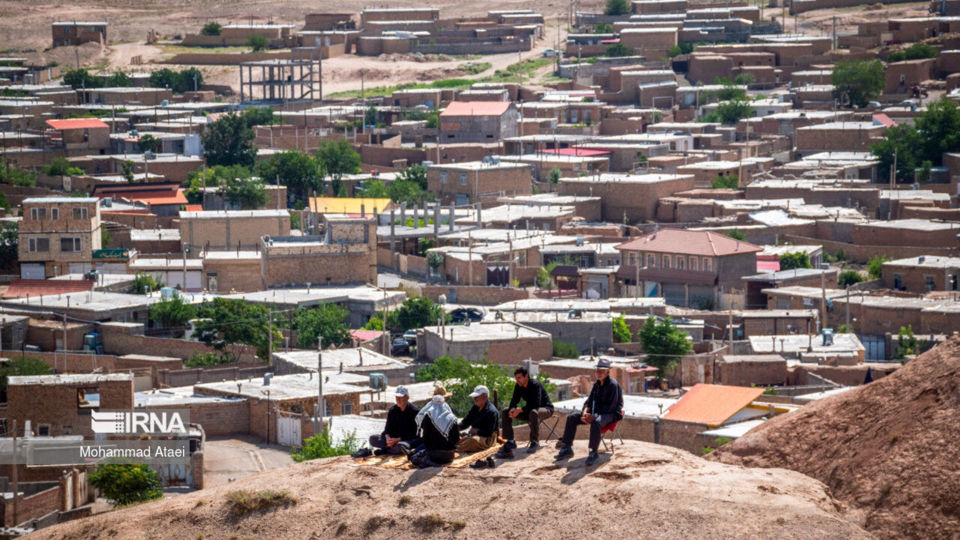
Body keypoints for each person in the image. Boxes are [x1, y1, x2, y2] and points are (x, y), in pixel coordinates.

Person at [554, 358, 623, 466]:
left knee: (596, 421)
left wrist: (594, 416)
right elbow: (589, 402)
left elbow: (611, 408)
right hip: (595, 414)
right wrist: (585, 412)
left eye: (601, 371)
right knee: (572, 418)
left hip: (610, 414)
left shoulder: (613, 386)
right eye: (597, 371)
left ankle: (593, 452)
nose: (599, 373)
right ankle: (567, 447)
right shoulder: (596, 385)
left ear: (607, 372)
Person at [496, 367, 554, 459]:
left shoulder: (535, 384)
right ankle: (510, 441)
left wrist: (519, 410)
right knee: (505, 411)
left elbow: (536, 404)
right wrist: (512, 409)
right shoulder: (518, 386)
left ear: (526, 376)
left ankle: (534, 442)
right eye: (516, 378)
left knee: (533, 412)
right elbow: (514, 401)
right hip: (530, 411)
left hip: (545, 410)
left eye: (519, 378)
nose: (517, 380)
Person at [405, 385, 459, 467]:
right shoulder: (451, 417)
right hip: (450, 456)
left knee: (414, 458)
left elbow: (426, 440)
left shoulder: (428, 417)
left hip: (434, 455)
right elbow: (456, 439)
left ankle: (426, 460)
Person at [367, 386, 420, 455]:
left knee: (402, 446)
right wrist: (387, 438)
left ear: (407, 398)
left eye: (400, 398)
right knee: (372, 439)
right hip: (392, 439)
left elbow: (414, 433)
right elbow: (387, 429)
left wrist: (397, 440)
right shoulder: (393, 410)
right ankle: (389, 449)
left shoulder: (415, 411)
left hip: (404, 440)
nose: (398, 400)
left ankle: (386, 449)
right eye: (396, 397)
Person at [456, 385, 500, 453]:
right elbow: (466, 422)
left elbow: (488, 432)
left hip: (487, 438)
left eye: (477, 397)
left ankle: (456, 448)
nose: (474, 399)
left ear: (484, 396)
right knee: (458, 436)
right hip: (472, 435)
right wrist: (455, 429)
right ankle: (458, 444)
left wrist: (475, 432)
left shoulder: (491, 411)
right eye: (474, 397)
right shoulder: (475, 407)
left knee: (473, 441)